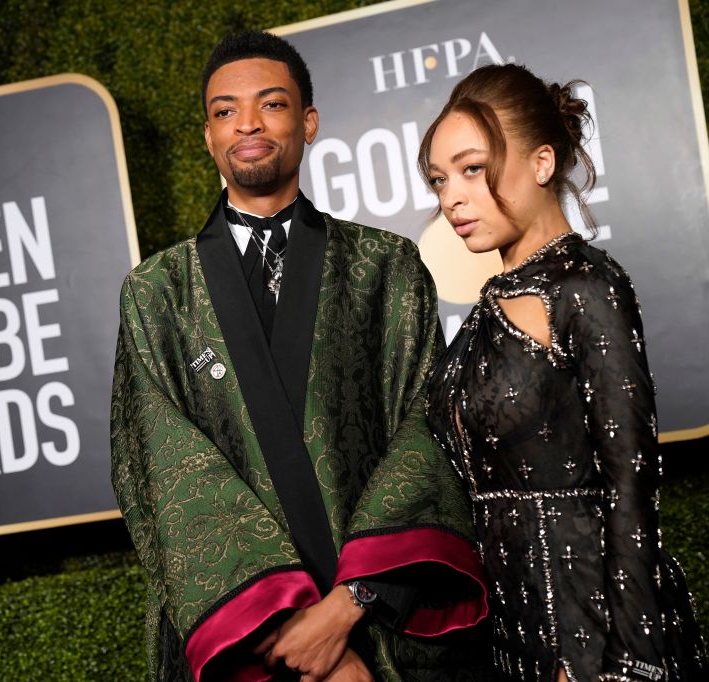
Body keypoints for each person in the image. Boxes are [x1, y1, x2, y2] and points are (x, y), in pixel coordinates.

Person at [111, 30, 490, 682]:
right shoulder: (158, 293)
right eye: (225, 111)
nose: (247, 124)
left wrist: (347, 609)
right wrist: (290, 631)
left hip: (372, 625)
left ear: (308, 122)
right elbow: (161, 472)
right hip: (241, 643)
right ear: (208, 136)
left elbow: (427, 438)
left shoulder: (385, 268)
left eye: (272, 104)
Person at [418, 63, 707, 682]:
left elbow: (630, 484)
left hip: (593, 636)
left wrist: (629, 662)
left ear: (543, 163)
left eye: (472, 169)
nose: (451, 198)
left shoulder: (585, 285)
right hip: (507, 634)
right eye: (440, 180)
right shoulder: (485, 311)